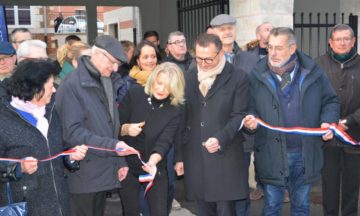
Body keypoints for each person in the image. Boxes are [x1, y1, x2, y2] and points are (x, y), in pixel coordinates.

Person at [243, 27, 339, 216]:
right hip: (271, 153)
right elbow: (248, 106)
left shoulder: (313, 71)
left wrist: (328, 121)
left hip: (305, 153)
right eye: (270, 47)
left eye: (278, 48)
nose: (273, 53)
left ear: (292, 48)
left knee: (302, 206)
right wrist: (250, 120)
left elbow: (330, 101)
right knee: (272, 205)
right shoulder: (256, 75)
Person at [55, 35, 137, 216]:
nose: (116, 68)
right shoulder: (72, 85)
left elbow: (110, 127)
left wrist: (119, 161)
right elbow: (72, 132)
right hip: (83, 176)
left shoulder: (108, 80)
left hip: (104, 171)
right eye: (113, 63)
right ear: (99, 55)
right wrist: (113, 148)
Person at [0, 60, 88, 215]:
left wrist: (70, 156)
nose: (54, 90)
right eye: (50, 86)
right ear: (35, 89)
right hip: (25, 207)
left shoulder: (52, 112)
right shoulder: (4, 119)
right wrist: (18, 168)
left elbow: (59, 149)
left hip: (59, 203)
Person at [175, 33, 249, 216]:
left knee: (225, 210)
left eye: (208, 59)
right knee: (202, 210)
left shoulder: (238, 77)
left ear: (221, 53)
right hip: (196, 157)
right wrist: (179, 157)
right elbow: (181, 120)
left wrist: (220, 138)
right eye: (198, 58)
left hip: (225, 157)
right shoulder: (188, 77)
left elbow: (239, 114)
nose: (202, 63)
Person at [119, 62, 185, 216]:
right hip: (127, 165)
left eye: (168, 86)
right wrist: (126, 128)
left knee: (159, 211)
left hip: (154, 166)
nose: (161, 89)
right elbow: (115, 126)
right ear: (153, 79)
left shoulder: (174, 109)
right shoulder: (134, 94)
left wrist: (152, 163)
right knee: (130, 211)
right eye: (159, 83)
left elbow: (165, 141)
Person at [316, 24, 360, 216]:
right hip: (328, 137)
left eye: (346, 38)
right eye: (338, 39)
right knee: (329, 182)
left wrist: (349, 121)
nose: (342, 42)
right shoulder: (317, 65)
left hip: (355, 136)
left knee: (352, 183)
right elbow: (311, 99)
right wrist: (326, 121)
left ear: (354, 41)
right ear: (330, 42)